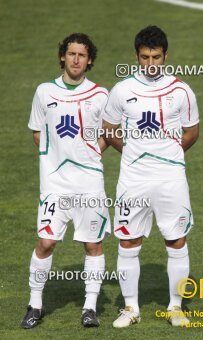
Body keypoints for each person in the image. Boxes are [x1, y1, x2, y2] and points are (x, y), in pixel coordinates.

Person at [102, 25, 199, 328]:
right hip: (133, 179)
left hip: (171, 178)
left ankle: (175, 306)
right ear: (137, 56)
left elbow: (192, 131)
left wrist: (168, 154)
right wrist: (131, 150)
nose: (151, 63)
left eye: (156, 57)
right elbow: (108, 129)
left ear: (165, 56)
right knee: (128, 242)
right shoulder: (122, 90)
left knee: (177, 240)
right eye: (145, 57)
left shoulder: (181, 90)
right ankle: (131, 308)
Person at [22, 33, 110, 328]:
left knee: (93, 244)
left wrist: (88, 157)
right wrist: (55, 161)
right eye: (71, 54)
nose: (75, 60)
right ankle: (35, 304)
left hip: (89, 184)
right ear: (63, 56)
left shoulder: (100, 95)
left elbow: (107, 135)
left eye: (82, 55)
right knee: (46, 242)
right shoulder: (44, 92)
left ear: (90, 60)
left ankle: (90, 307)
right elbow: (37, 133)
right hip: (55, 185)